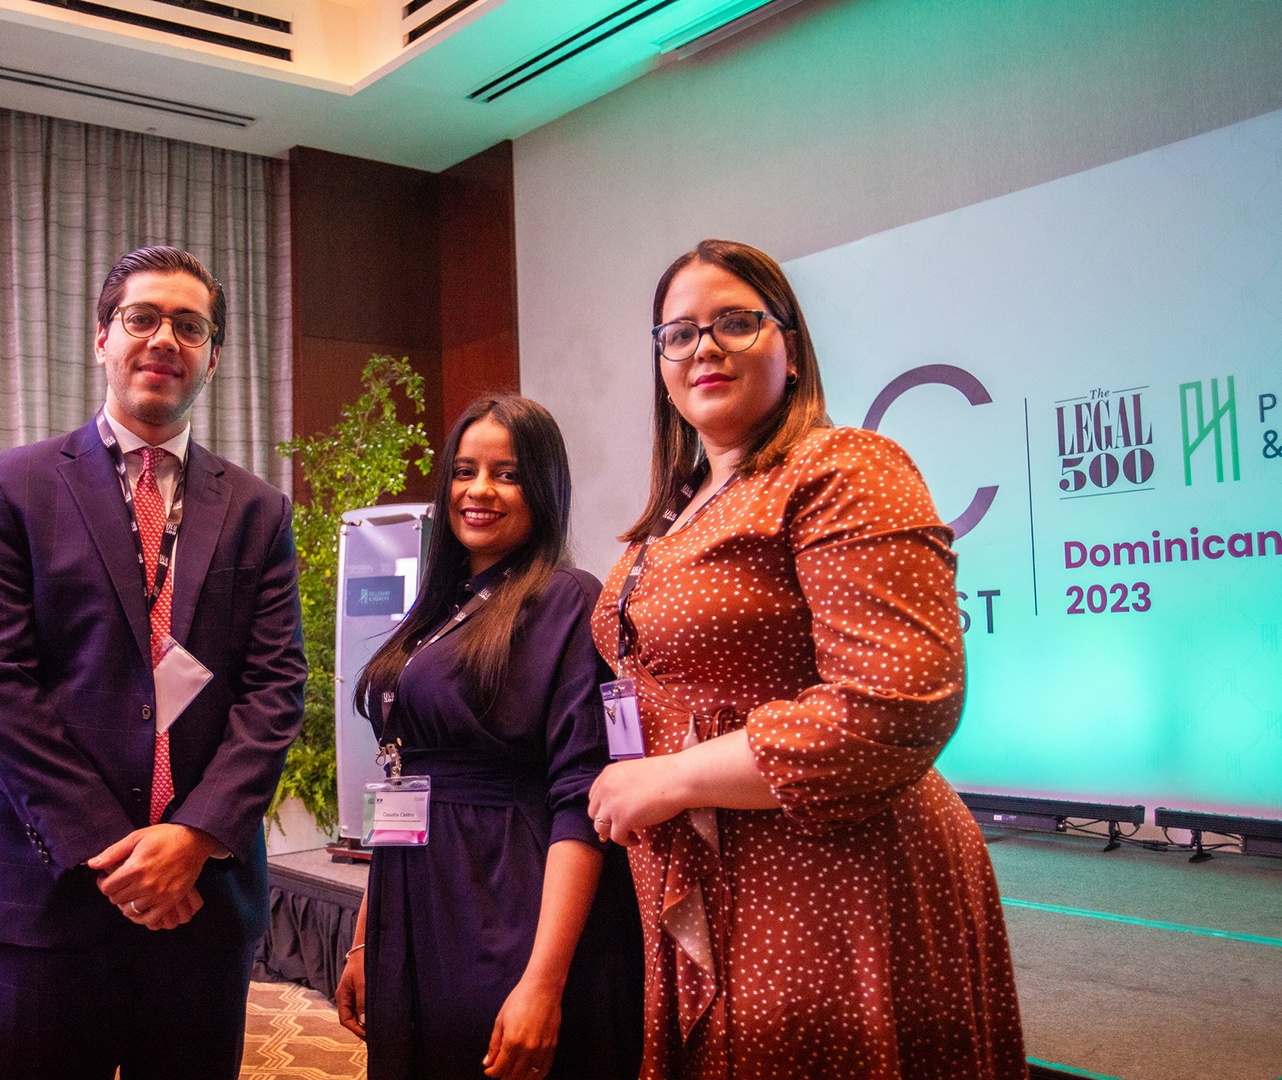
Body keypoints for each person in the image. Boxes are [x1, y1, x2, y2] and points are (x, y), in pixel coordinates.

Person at [586, 240, 1027, 1078]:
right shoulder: (678, 509)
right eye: (679, 333)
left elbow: (896, 702)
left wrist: (671, 778)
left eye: (735, 322)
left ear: (790, 346)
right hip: (706, 876)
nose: (705, 347)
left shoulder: (842, 466)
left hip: (833, 881)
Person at [0, 245, 305, 1080]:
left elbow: (275, 688)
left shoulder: (257, 510)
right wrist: (121, 854)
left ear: (213, 357)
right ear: (102, 338)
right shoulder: (14, 486)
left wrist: (194, 838)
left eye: (190, 326)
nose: (164, 339)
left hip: (202, 897)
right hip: (47, 890)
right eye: (141, 318)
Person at [335, 395, 643, 1080]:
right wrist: (365, 937)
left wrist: (544, 981)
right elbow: (403, 783)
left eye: (507, 474)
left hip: (507, 897)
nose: (479, 490)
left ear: (544, 488)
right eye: (464, 471)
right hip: (419, 892)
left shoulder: (566, 598)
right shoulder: (439, 606)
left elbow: (581, 800)